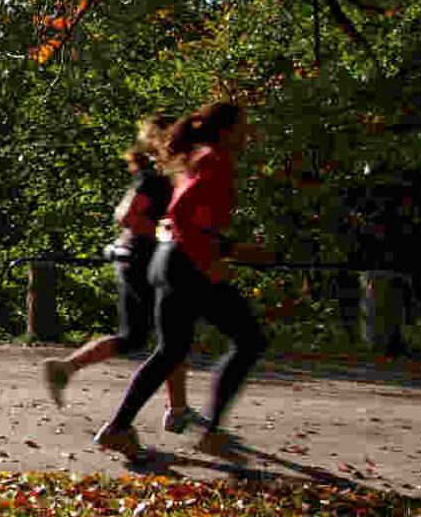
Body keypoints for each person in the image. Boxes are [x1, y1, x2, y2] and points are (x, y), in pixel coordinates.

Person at [94, 102, 269, 461]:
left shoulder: (194, 160)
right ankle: (211, 432)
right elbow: (184, 213)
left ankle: (118, 429)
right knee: (249, 339)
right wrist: (214, 258)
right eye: (242, 126)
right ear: (226, 131)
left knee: (171, 350)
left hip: (170, 259)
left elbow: (183, 218)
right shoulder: (213, 160)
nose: (247, 133)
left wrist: (219, 249)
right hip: (187, 264)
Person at [41, 114, 202, 435]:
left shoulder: (158, 176)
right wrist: (165, 236)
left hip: (140, 260)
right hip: (143, 262)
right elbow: (127, 216)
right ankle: (175, 410)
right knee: (168, 338)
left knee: (152, 338)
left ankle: (176, 408)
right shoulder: (155, 178)